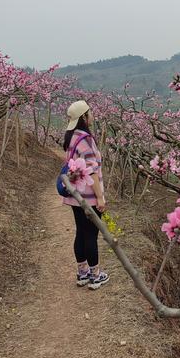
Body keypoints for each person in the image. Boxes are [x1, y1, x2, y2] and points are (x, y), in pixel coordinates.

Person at [62, 100, 110, 289]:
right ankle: (95, 275)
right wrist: (100, 197)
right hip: (88, 196)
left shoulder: (71, 137)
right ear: (84, 117)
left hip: (75, 195)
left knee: (81, 232)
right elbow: (91, 170)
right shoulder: (86, 140)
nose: (92, 115)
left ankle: (82, 273)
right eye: (90, 113)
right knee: (91, 234)